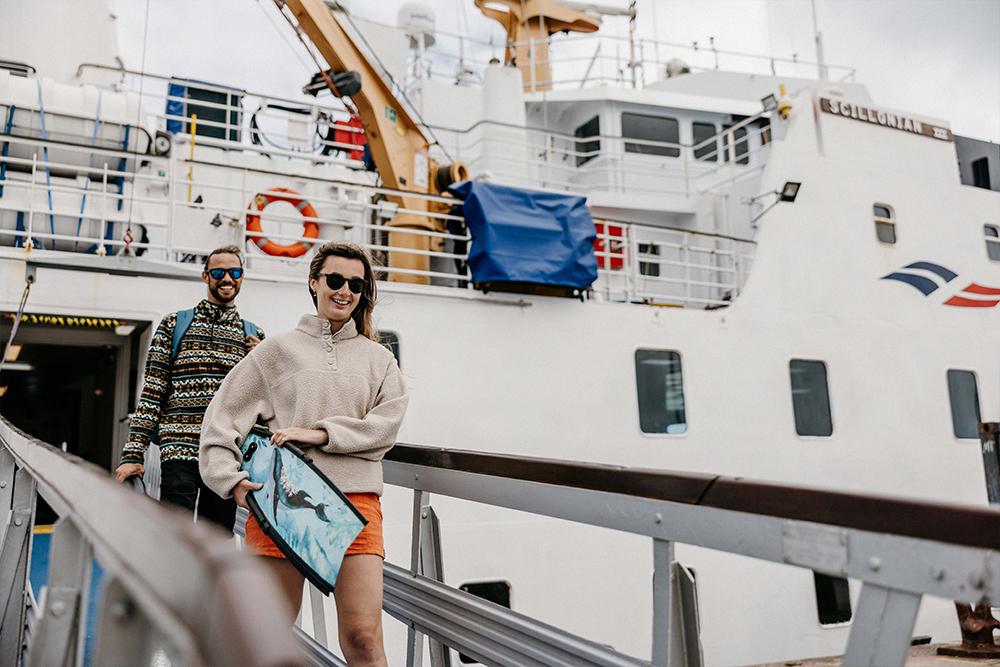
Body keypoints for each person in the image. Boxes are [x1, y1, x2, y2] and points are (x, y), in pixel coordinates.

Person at [199, 241, 408, 667]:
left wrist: (321, 434)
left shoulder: (379, 358)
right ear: (314, 283)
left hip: (356, 506)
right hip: (282, 502)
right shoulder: (277, 350)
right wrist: (231, 480)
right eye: (334, 280)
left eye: (355, 283)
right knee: (265, 640)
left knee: (363, 640)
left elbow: (387, 424)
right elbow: (221, 419)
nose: (344, 290)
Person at [115, 245, 263, 532]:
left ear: (242, 277)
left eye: (234, 272)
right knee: (176, 536)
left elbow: (262, 405)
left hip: (225, 455)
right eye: (218, 272)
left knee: (216, 538)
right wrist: (133, 455)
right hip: (178, 449)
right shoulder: (173, 325)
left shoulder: (254, 336)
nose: (227, 279)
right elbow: (152, 393)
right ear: (206, 276)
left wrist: (262, 364)